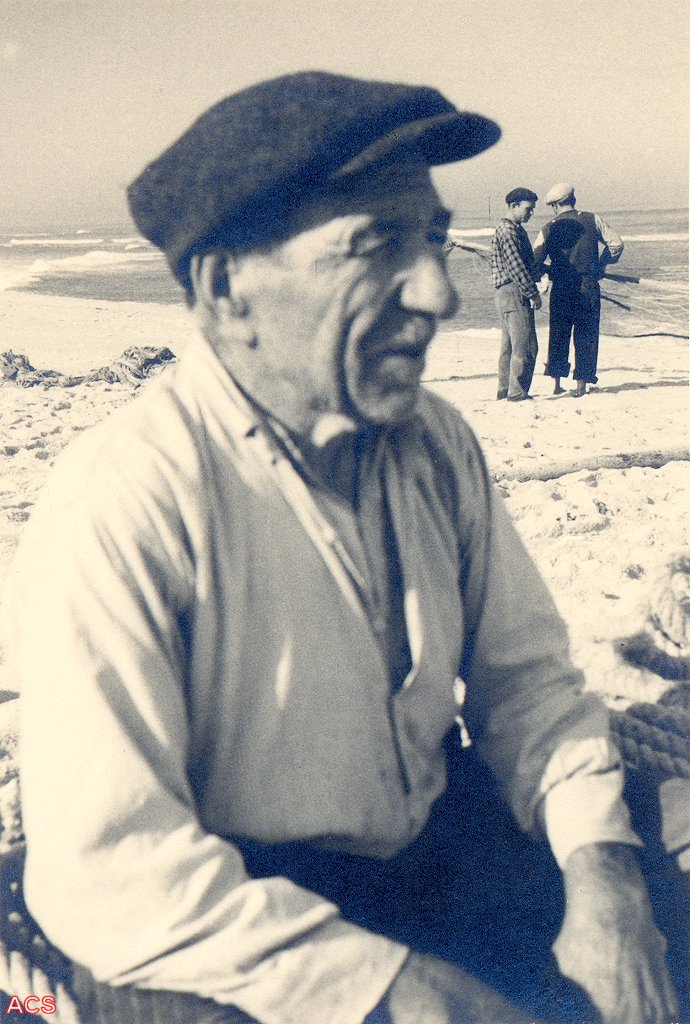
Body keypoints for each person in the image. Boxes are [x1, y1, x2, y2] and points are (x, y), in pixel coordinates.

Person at [1, 72, 680, 1024]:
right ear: (225, 288)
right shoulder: (126, 501)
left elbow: (529, 690)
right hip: (232, 902)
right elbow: (114, 871)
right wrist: (404, 991)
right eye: (374, 245)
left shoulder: (435, 443)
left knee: (662, 828)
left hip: (428, 848)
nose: (439, 291)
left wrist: (606, 885)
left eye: (433, 238)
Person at [533, 183, 624, 397]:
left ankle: (556, 384)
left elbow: (535, 259)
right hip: (587, 285)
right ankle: (581, 385)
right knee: (586, 334)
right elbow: (616, 244)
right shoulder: (593, 219)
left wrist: (549, 271)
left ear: (555, 205)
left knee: (559, 334)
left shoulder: (548, 227)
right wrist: (601, 264)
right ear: (572, 199)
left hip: (561, 287)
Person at [491, 187, 541, 402]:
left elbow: (525, 264)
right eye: (528, 209)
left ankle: (505, 390)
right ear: (514, 206)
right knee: (526, 345)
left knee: (510, 346)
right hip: (513, 291)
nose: (531, 213)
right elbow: (516, 268)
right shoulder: (509, 231)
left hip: (505, 293)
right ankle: (517, 393)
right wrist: (533, 293)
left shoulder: (513, 229)